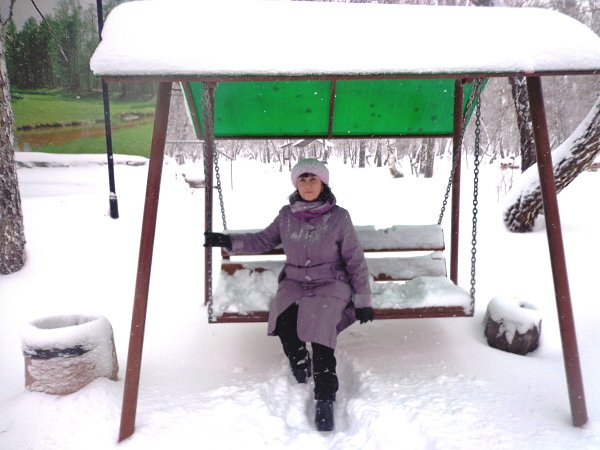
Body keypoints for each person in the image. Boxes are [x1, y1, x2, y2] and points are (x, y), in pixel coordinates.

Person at [204, 158, 374, 432]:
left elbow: (354, 259)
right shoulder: (286, 215)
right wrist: (228, 242)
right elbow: (263, 240)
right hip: (294, 282)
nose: (307, 185)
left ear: (323, 183)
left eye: (313, 179)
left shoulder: (339, 217)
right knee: (283, 320)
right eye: (302, 179)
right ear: (296, 184)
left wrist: (363, 299)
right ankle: (299, 360)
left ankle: (325, 397)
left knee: (321, 331)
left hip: (331, 282)